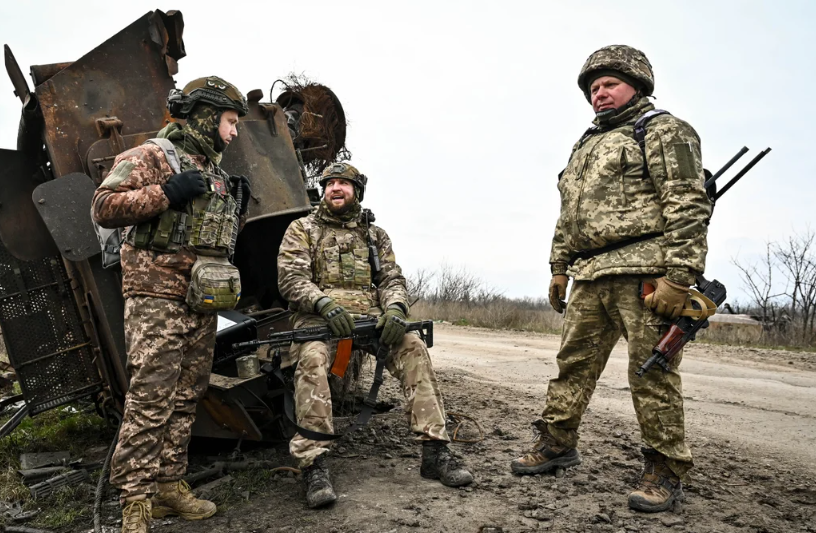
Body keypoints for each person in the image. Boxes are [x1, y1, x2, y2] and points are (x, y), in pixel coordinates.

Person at [510, 45, 712, 513]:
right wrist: (559, 268)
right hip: (589, 273)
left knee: (652, 374)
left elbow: (688, 206)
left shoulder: (664, 130)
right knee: (572, 365)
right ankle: (558, 444)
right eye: (593, 88)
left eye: (609, 85)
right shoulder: (585, 144)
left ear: (637, 85)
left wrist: (679, 277)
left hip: (646, 273)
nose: (599, 94)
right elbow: (568, 215)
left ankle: (665, 468)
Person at [91, 76, 250, 532]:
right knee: (150, 398)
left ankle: (168, 487)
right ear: (204, 116)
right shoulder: (152, 156)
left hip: (200, 298)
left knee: (185, 398)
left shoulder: (214, 170)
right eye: (229, 121)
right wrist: (166, 193)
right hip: (156, 296)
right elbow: (103, 205)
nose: (234, 131)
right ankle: (135, 500)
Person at [276, 162, 473, 508]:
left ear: (357, 191)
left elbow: (391, 280)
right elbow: (291, 279)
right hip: (318, 322)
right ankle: (313, 464)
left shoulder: (374, 235)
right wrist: (323, 303)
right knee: (312, 360)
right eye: (330, 183)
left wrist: (396, 309)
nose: (336, 188)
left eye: (344, 183)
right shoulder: (302, 228)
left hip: (370, 320)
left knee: (413, 347)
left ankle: (435, 450)